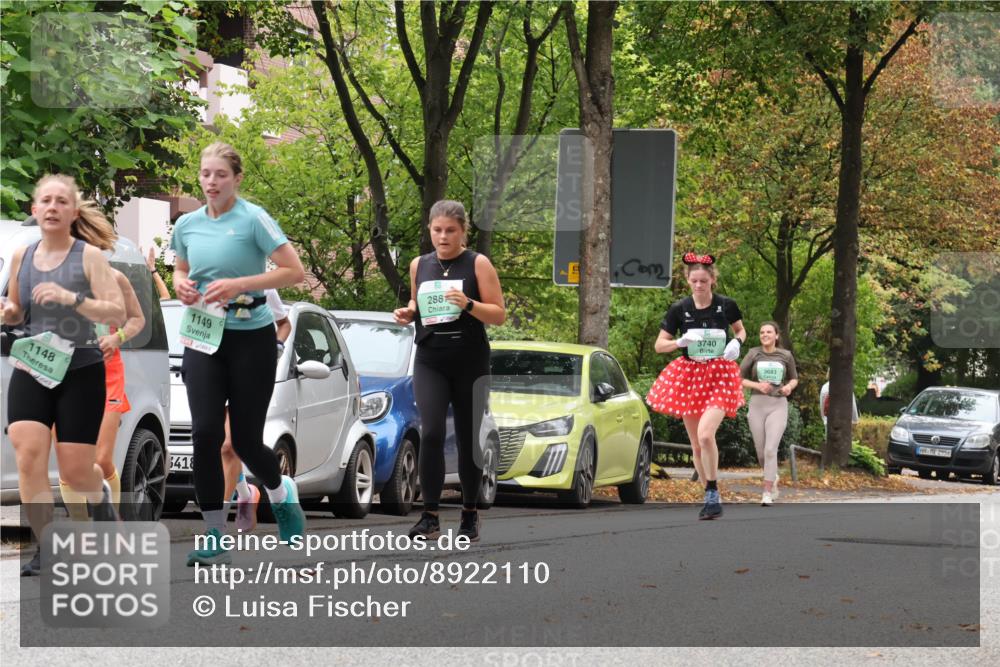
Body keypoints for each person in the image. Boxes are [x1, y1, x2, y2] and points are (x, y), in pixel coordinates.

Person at [171, 142, 306, 565]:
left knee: (245, 441)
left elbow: (294, 272)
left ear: (237, 178)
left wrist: (240, 284)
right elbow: (180, 267)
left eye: (221, 175)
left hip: (251, 338)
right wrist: (180, 284)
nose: (211, 182)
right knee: (205, 435)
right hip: (202, 336)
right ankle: (214, 532)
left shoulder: (253, 219)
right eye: (205, 174)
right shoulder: (187, 224)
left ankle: (281, 492)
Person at [1, 174, 126, 576]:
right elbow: (17, 310)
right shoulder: (21, 256)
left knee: (75, 471)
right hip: (33, 364)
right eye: (46, 201)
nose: (52, 207)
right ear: (35, 209)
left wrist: (72, 298)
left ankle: (99, 498)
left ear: (73, 212)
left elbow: (116, 311)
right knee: (27, 453)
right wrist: (8, 313)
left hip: (81, 368)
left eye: (61, 201)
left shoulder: (89, 257)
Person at [393, 200, 505, 542]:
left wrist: (468, 304)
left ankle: (469, 513)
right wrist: (409, 312)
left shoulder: (477, 263)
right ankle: (429, 516)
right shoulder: (419, 264)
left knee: (469, 437)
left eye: (450, 231)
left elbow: (498, 314)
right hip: (430, 358)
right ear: (429, 229)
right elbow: (418, 302)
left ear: (463, 232)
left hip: (469, 359)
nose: (443, 237)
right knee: (431, 433)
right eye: (437, 230)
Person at [646, 252, 747, 520]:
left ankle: (712, 489)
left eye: (704, 280)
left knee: (705, 435)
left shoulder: (726, 305)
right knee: (697, 445)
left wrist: (736, 343)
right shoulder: (679, 309)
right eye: (694, 281)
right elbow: (659, 346)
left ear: (712, 280)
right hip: (690, 376)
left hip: (719, 374)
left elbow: (740, 330)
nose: (699, 285)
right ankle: (710, 496)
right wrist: (679, 342)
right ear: (688, 280)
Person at [59, 267, 145, 519]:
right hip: (63, 372)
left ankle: (109, 526)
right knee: (69, 465)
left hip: (107, 373)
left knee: (103, 459)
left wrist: (118, 337)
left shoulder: (115, 277)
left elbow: (137, 319)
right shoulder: (53, 274)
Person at [222, 288, 291, 533]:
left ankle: (218, 524)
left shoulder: (264, 285)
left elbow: (284, 324)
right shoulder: (205, 279)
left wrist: (277, 344)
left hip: (249, 370)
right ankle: (245, 493)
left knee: (229, 446)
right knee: (221, 443)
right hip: (214, 367)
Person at [740, 321, 798, 506]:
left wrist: (789, 387)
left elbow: (794, 378)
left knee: (770, 449)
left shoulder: (785, 355)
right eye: (762, 332)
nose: (765, 335)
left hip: (778, 405)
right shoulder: (753, 353)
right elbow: (738, 378)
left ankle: (766, 491)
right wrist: (757, 385)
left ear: (776, 336)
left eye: (769, 332)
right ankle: (772, 477)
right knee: (761, 452)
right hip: (757, 404)